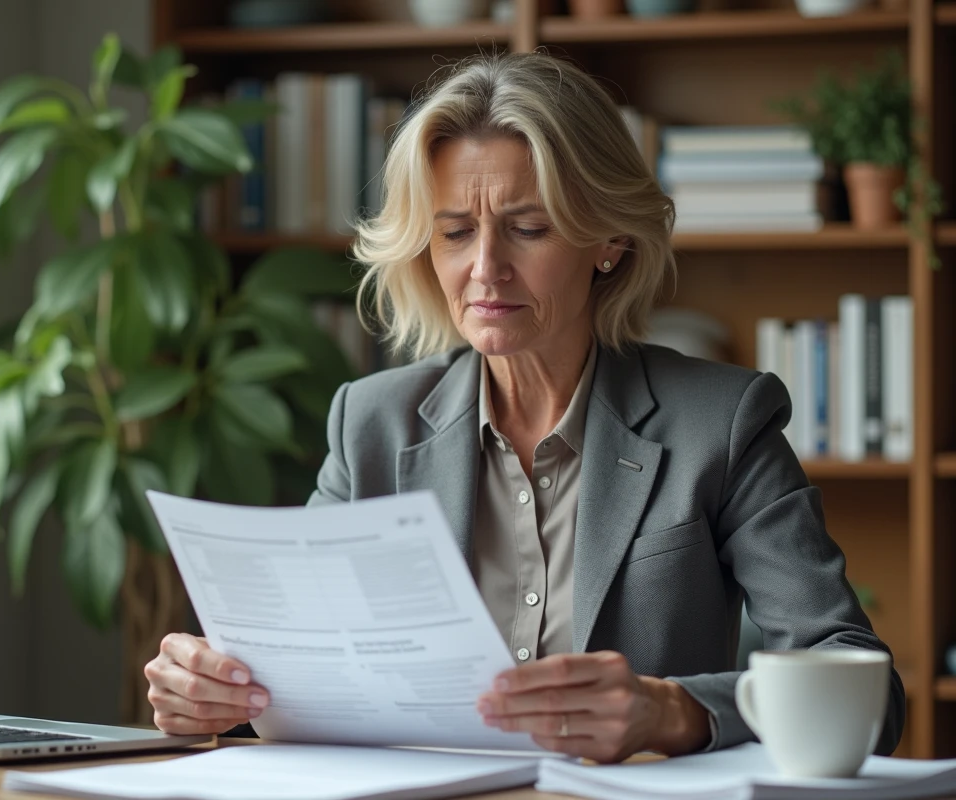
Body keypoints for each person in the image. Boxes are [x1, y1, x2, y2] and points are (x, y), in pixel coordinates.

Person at [144, 52, 905, 763]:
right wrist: (217, 694)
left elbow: (861, 681)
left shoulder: (723, 423)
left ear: (607, 239)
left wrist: (673, 712)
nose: (484, 270)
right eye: (453, 233)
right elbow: (304, 672)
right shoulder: (370, 423)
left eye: (528, 228)